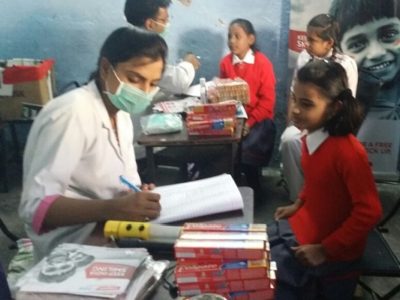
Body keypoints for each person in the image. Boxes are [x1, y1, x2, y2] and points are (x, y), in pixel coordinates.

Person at [18, 27, 166, 260]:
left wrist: (136, 197)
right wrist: (114, 207)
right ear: (106, 68)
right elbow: (35, 207)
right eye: (135, 79)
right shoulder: (71, 113)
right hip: (70, 249)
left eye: (153, 83)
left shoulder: (121, 113)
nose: (144, 92)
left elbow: (118, 182)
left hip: (111, 231)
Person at [269, 60, 382, 300]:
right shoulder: (312, 137)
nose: (296, 110)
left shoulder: (349, 152)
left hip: (333, 250)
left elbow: (370, 211)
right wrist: (299, 203)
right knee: (258, 256)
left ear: (334, 108)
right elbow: (314, 180)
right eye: (295, 100)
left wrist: (325, 250)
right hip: (309, 227)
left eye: (306, 104)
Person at [280, 13, 358, 201]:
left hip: (332, 128)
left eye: (312, 40)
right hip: (305, 124)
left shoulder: (346, 65)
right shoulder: (304, 57)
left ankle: (322, 199)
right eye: (306, 38)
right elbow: (293, 93)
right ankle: (298, 200)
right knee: (288, 139)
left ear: (328, 43)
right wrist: (292, 121)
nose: (306, 44)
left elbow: (347, 105)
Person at [219, 18, 276, 195]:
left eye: (237, 36)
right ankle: (233, 189)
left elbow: (267, 102)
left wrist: (249, 123)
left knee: (247, 149)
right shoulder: (226, 63)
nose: (232, 41)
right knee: (226, 150)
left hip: (258, 120)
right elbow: (224, 96)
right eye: (229, 36)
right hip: (234, 119)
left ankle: (253, 189)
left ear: (250, 39)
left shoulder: (262, 63)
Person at [329, 0, 400, 120]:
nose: (376, 53)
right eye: (357, 45)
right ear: (339, 50)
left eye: (389, 35)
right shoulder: (336, 101)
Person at [124, 0, 201, 95]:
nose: (167, 23)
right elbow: (179, 82)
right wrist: (189, 64)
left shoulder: (126, 38)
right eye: (164, 20)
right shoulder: (142, 52)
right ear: (150, 24)